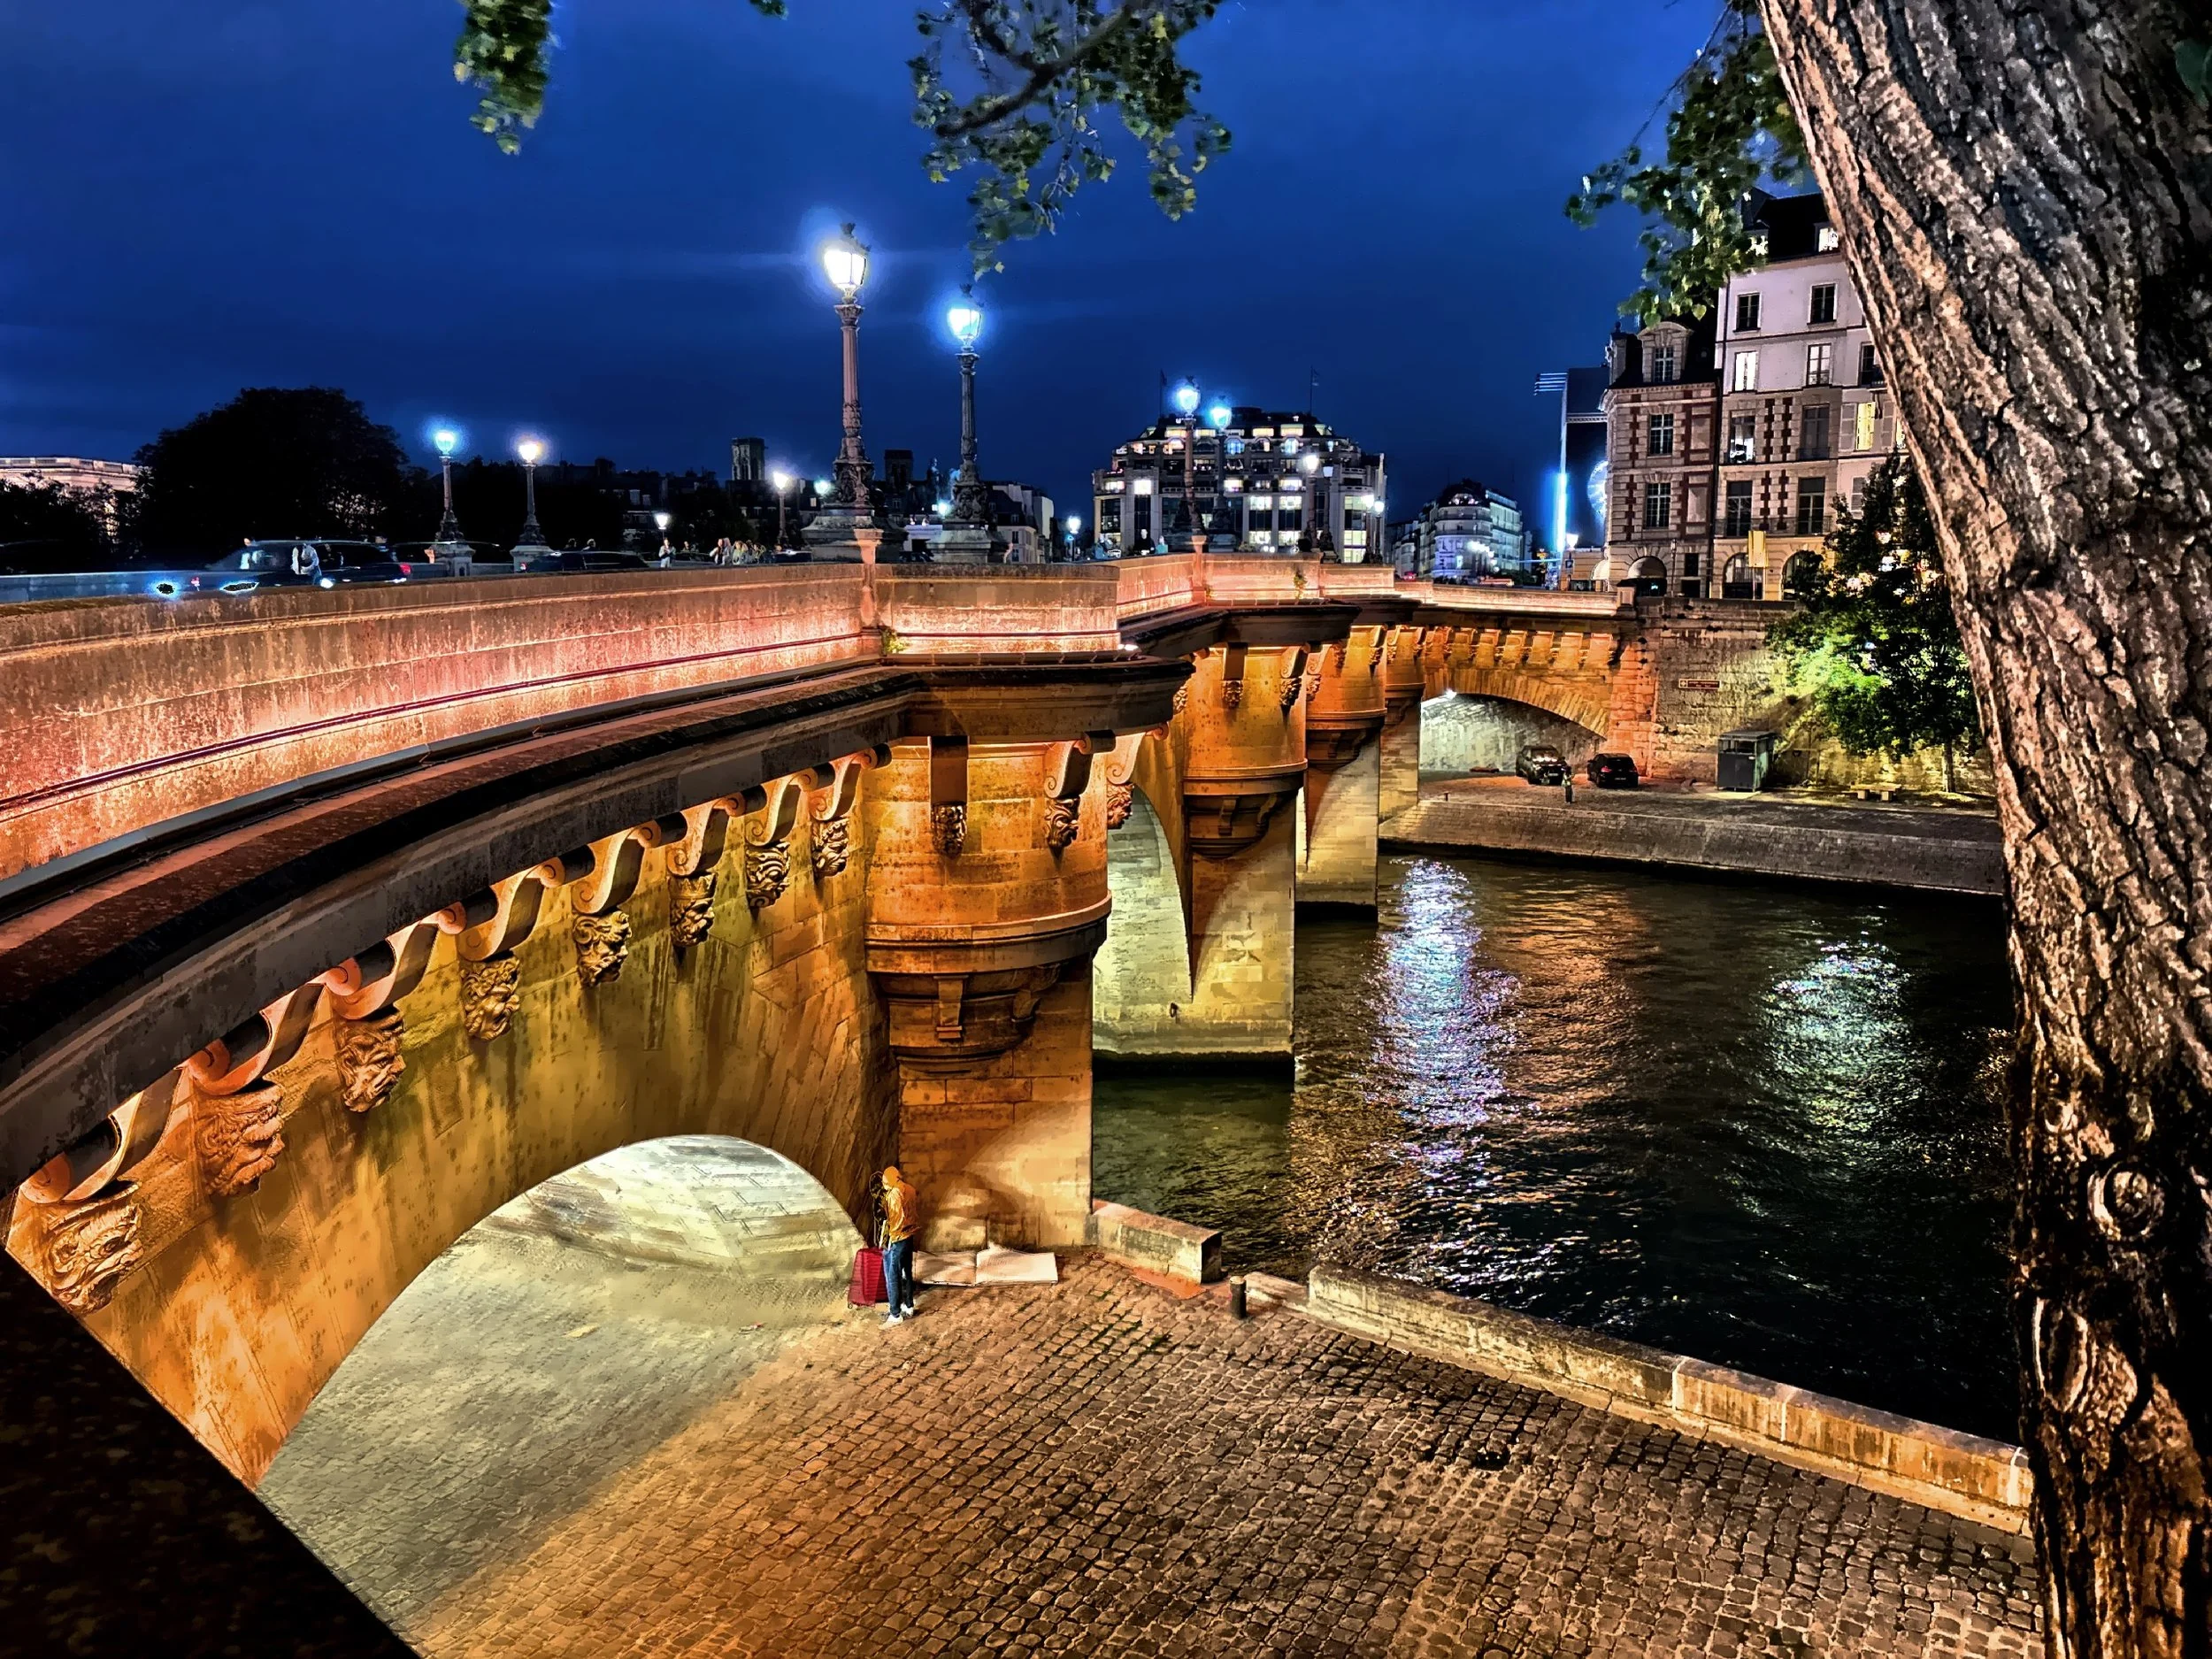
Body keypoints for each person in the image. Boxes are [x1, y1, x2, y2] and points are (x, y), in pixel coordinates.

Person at [878, 1164, 920, 1324]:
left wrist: (891, 1240)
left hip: (898, 1238)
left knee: (892, 1274)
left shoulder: (894, 1194)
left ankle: (895, 1314)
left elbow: (897, 1218)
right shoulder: (909, 1188)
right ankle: (909, 1305)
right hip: (910, 1236)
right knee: (906, 1272)